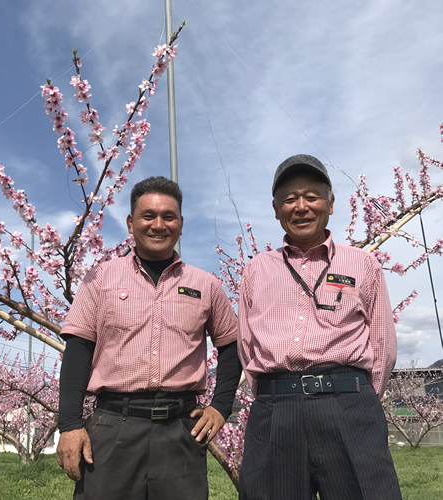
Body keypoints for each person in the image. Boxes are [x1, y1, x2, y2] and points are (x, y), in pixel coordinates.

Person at [56, 176, 241, 500]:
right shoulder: (101, 278)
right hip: (112, 427)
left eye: (168, 216)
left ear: (181, 223)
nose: (159, 224)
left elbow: (231, 346)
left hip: (181, 431)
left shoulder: (206, 284)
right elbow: (77, 350)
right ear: (131, 222)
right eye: (148, 216)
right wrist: (70, 424)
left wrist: (221, 406)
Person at [238, 155, 402, 500]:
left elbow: (383, 349)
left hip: (350, 408)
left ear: (330, 203)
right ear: (276, 208)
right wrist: (277, 395)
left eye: (311, 196)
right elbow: (246, 346)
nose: (301, 207)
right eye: (289, 199)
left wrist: (354, 397)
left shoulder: (363, 264)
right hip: (275, 413)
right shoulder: (256, 271)